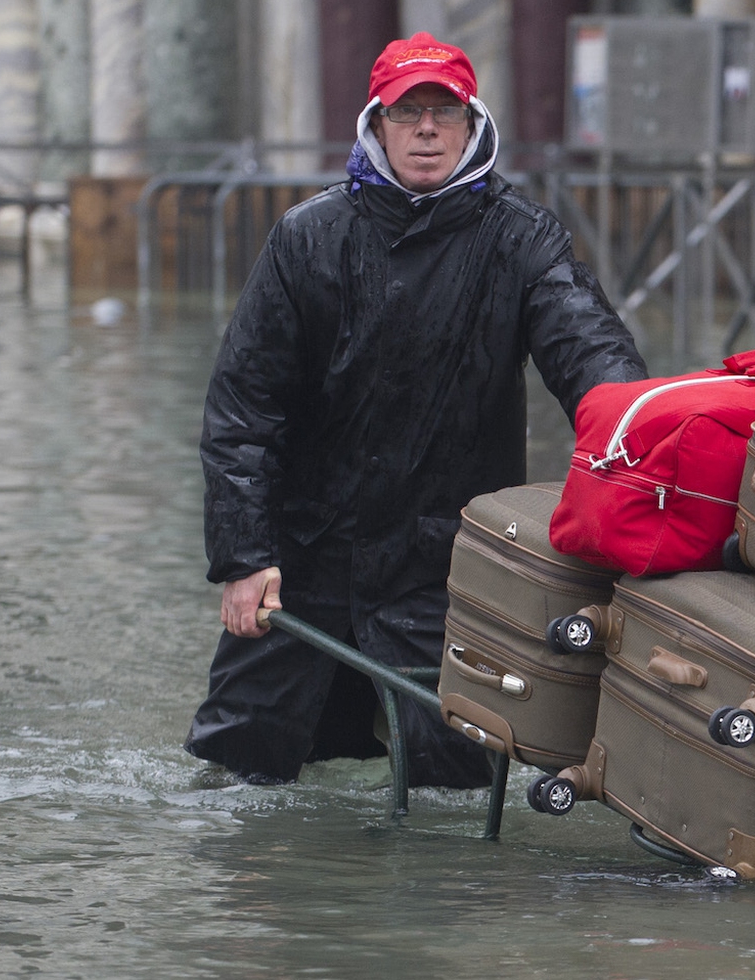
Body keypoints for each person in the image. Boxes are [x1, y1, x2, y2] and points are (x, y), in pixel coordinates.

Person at [187, 33, 647, 786]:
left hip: (442, 563)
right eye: (409, 112)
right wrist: (244, 558)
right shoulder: (307, 238)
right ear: (378, 123)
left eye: (444, 111)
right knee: (236, 767)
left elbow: (593, 359)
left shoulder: (523, 239)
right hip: (301, 558)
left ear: (472, 126)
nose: (426, 129)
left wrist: (637, 439)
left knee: (456, 783)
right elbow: (244, 411)